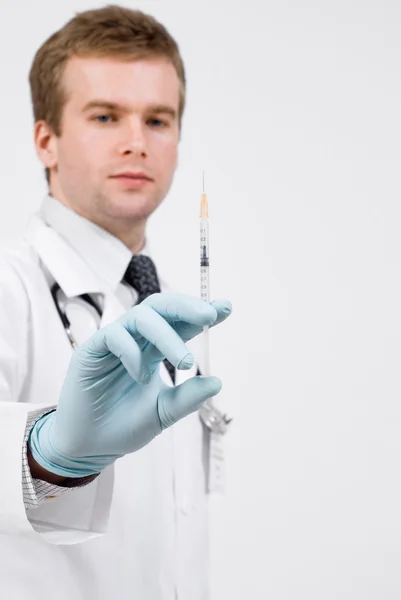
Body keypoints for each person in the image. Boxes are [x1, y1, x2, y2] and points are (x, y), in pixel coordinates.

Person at [0, 5, 232, 600]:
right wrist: (50, 455)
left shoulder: (164, 299)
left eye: (158, 119)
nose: (137, 142)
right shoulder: (11, 285)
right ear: (45, 140)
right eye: (106, 116)